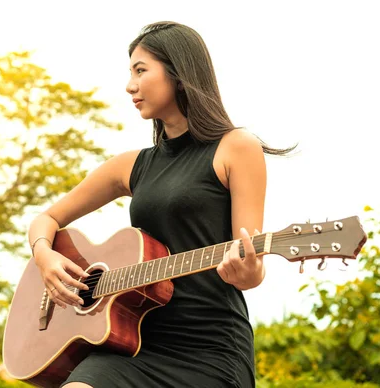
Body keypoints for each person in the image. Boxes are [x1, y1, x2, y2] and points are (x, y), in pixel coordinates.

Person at [27, 21, 294, 388]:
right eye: (130, 73)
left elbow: (252, 261)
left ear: (179, 74)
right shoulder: (130, 166)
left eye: (141, 70)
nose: (129, 85)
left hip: (210, 348)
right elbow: (47, 218)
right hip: (133, 345)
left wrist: (250, 273)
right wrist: (45, 256)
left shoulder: (236, 147)